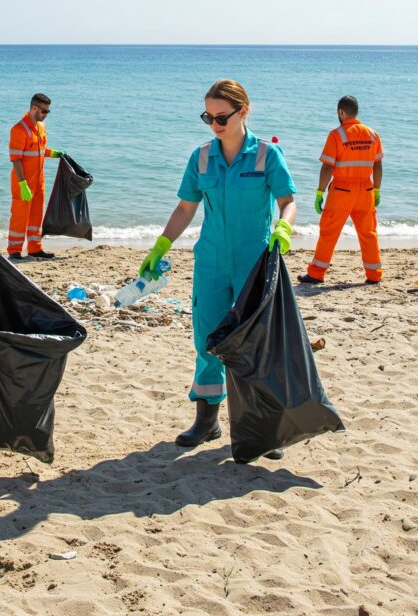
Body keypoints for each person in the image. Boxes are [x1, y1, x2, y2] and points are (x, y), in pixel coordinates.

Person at [140, 79, 297, 454]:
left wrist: (285, 226)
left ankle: (262, 426)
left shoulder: (267, 155)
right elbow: (185, 208)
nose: (214, 124)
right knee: (207, 339)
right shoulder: (201, 157)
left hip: (253, 263)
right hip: (210, 262)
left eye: (221, 117)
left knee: (255, 345)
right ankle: (206, 421)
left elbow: (288, 201)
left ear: (244, 111)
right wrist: (162, 244)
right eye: (207, 117)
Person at [298, 95, 383, 285]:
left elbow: (327, 166)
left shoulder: (337, 135)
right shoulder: (372, 134)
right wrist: (376, 189)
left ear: (341, 112)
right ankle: (374, 274)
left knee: (329, 232)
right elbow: (378, 165)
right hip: (366, 189)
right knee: (368, 233)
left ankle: (317, 274)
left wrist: (319, 192)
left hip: (342, 191)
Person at [7, 92, 65, 261]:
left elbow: (39, 151)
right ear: (33, 108)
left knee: (36, 216)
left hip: (39, 181)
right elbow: (16, 159)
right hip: (23, 181)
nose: (46, 115)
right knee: (19, 217)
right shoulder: (19, 129)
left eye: (48, 112)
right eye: (43, 111)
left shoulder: (41, 128)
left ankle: (35, 248)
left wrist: (54, 153)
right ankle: (14, 250)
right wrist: (22, 183)